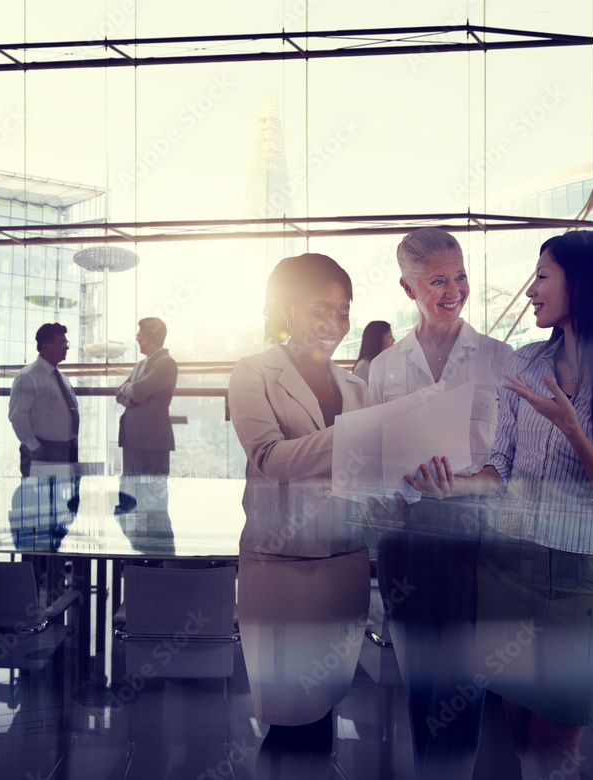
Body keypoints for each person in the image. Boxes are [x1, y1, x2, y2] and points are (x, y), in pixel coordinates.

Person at [408, 230, 593, 780]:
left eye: (543, 276)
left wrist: (575, 433)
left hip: (577, 582)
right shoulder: (526, 364)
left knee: (556, 751)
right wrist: (450, 485)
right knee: (520, 742)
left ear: (584, 285)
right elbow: (499, 471)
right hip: (505, 567)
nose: (530, 290)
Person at [366, 228, 512, 780]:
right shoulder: (382, 369)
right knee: (420, 679)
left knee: (462, 683)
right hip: (405, 539)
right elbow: (373, 463)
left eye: (459, 277)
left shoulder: (501, 361)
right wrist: (377, 502)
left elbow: (514, 466)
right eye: (436, 282)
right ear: (408, 289)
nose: (453, 291)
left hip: (477, 539)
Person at [228, 253, 369, 773]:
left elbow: (366, 473)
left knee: (325, 710)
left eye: (343, 310)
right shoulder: (253, 374)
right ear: (288, 310)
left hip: (345, 560)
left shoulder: (356, 386)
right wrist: (357, 436)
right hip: (282, 565)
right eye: (320, 309)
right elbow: (268, 458)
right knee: (290, 721)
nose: (335, 323)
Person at [9, 322, 80, 478]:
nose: (66, 347)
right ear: (45, 346)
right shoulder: (28, 376)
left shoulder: (60, 376)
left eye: (66, 342)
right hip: (42, 451)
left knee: (65, 500)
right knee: (39, 500)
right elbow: (17, 415)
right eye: (61, 343)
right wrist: (34, 446)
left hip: (66, 450)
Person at [116, 317, 178, 476]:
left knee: (152, 495)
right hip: (132, 439)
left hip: (152, 441)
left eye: (140, 336)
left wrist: (129, 390)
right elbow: (119, 394)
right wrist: (130, 395)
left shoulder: (166, 363)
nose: (137, 339)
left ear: (149, 338)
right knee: (129, 493)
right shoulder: (140, 365)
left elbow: (138, 390)